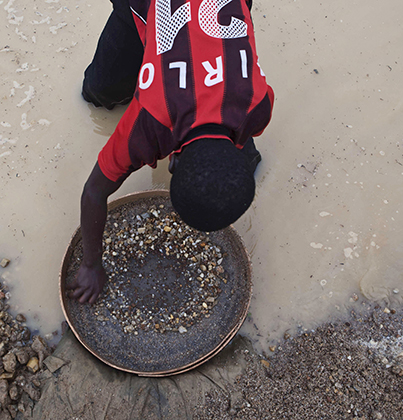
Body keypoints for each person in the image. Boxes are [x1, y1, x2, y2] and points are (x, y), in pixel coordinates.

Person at [69, 0, 275, 304]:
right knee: (98, 92)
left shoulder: (258, 103)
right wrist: (90, 265)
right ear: (172, 158)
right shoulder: (149, 119)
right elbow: (93, 193)